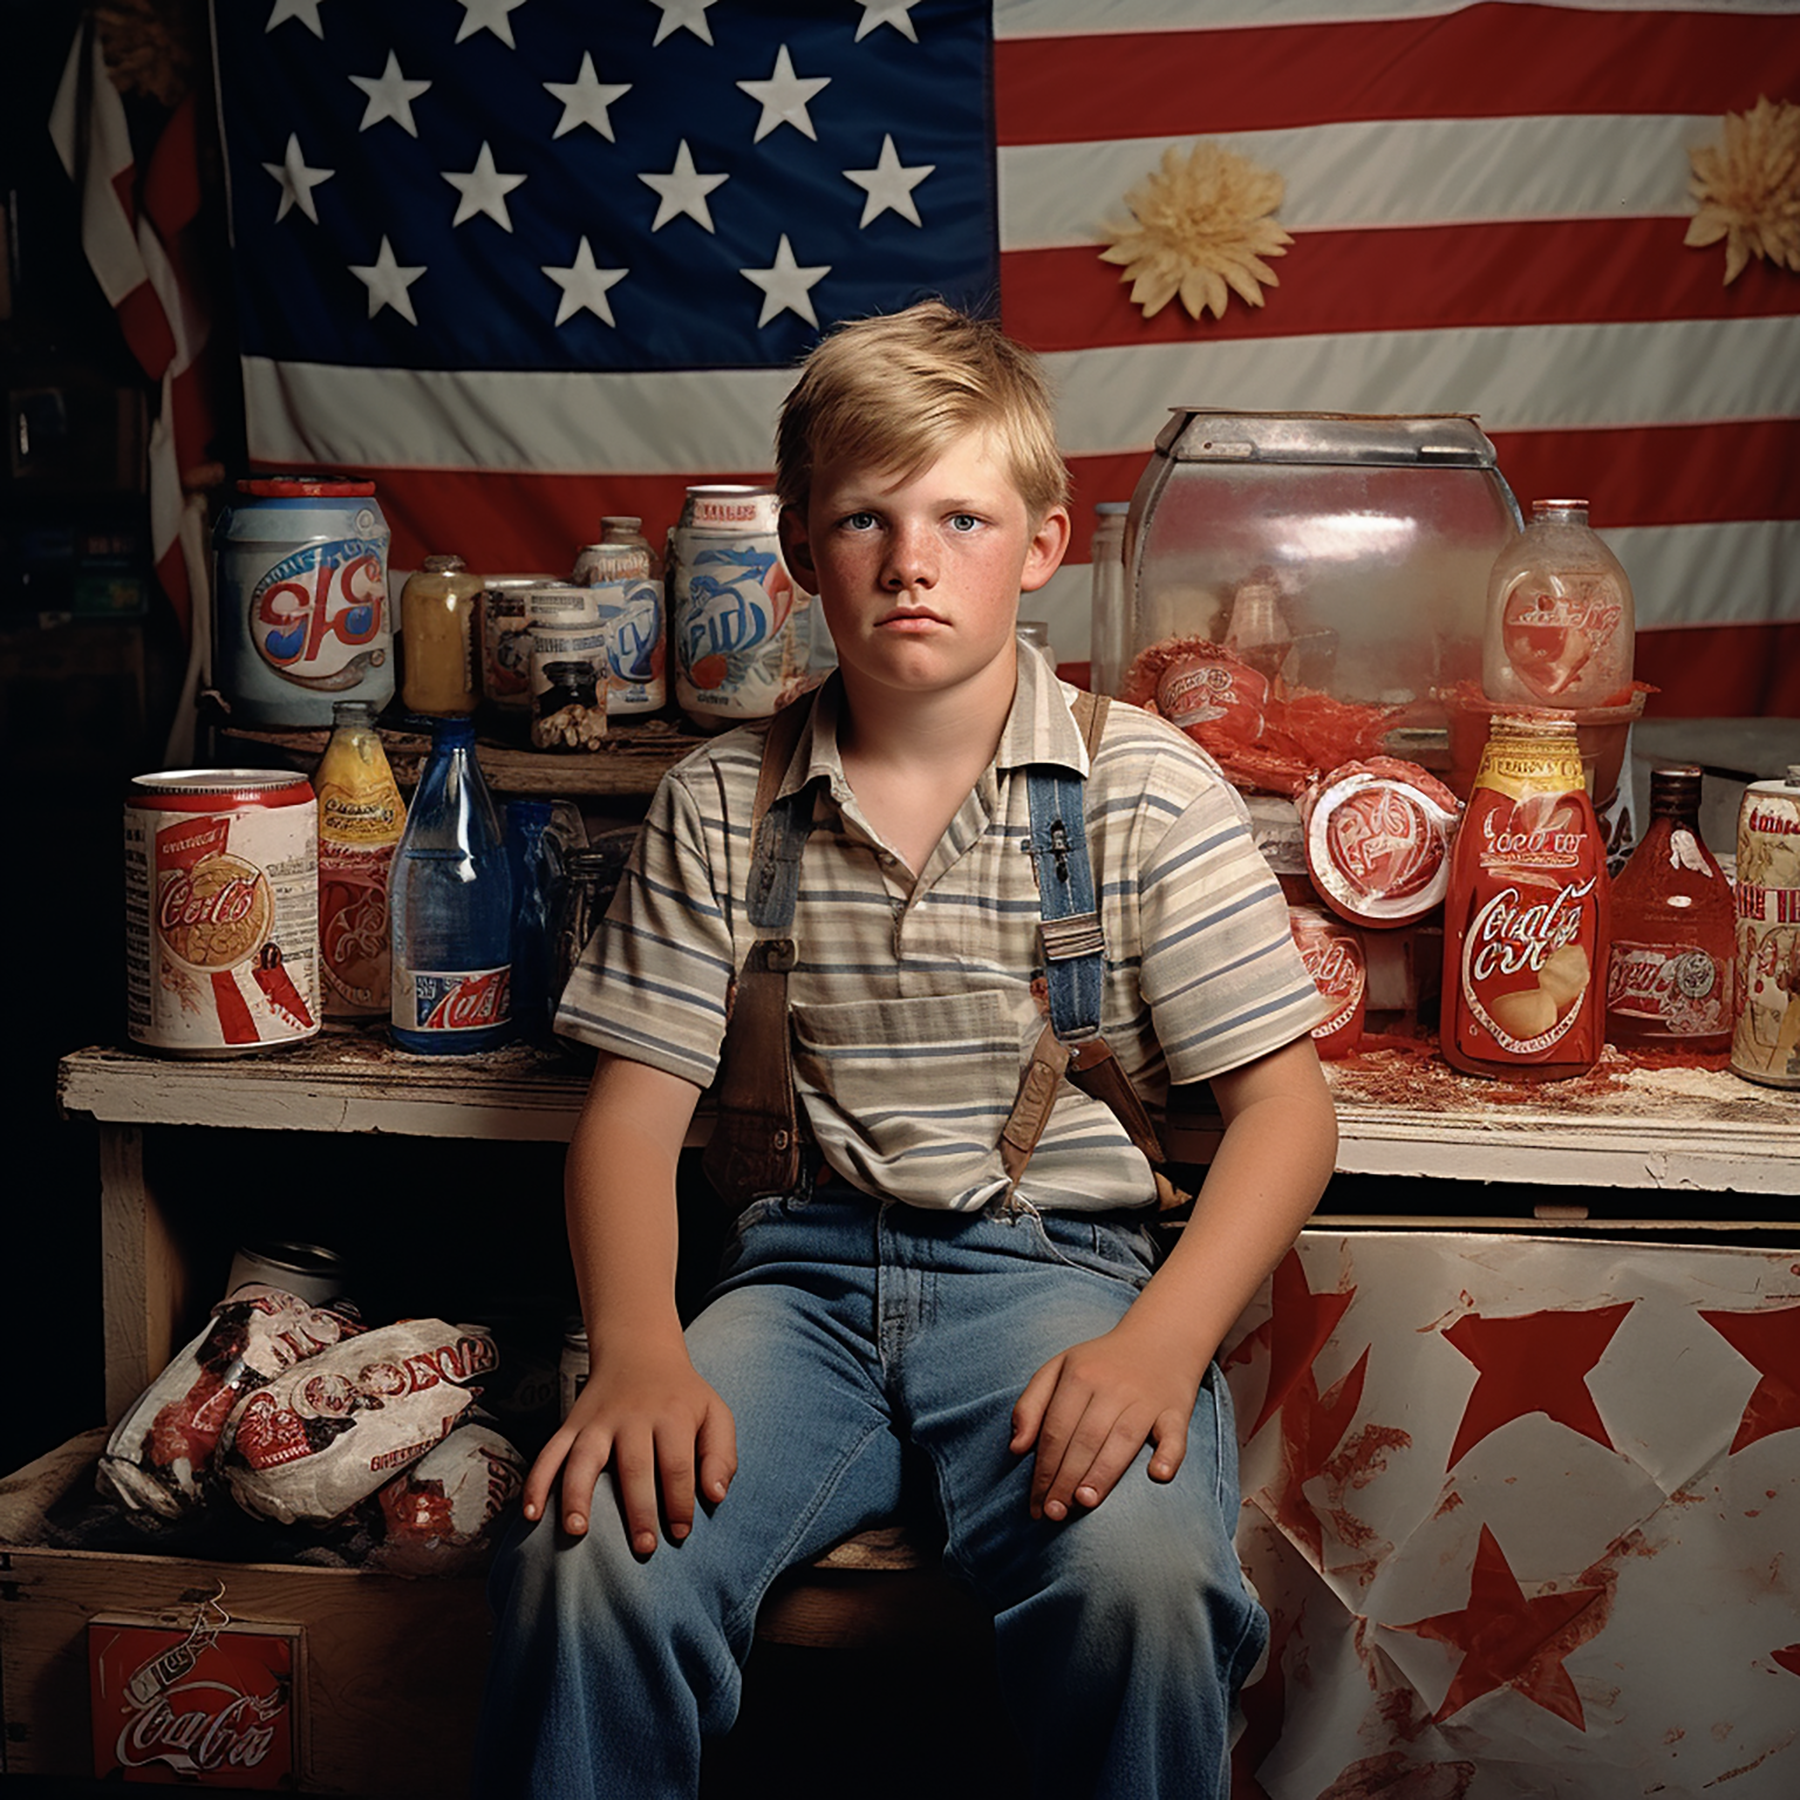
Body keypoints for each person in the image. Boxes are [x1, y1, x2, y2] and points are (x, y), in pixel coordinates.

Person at [473, 301, 1338, 1800]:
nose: (912, 558)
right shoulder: (722, 803)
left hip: (1058, 1285)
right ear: (804, 552)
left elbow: (1285, 1115)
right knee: (592, 1551)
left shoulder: (1142, 794)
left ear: (1044, 543)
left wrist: (1160, 1341)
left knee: (1139, 1587)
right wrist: (638, 1348)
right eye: (865, 518)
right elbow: (627, 1119)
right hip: (796, 1282)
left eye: (961, 515)